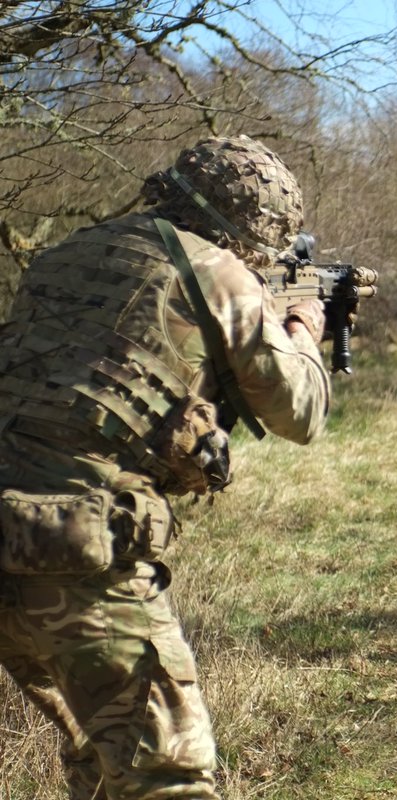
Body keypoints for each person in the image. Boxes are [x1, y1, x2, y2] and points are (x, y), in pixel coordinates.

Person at [0, 136, 331, 799]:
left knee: (100, 765)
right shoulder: (219, 274)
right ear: (257, 226)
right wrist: (304, 333)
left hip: (11, 539)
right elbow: (300, 412)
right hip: (77, 555)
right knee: (166, 781)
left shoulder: (69, 255)